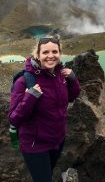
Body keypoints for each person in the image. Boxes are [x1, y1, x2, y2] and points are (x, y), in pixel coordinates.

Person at [9, 37, 81, 182]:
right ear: (38, 54)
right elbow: (14, 118)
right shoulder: (23, 81)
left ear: (60, 53)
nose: (50, 56)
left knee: (47, 174)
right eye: (45, 52)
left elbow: (71, 97)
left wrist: (73, 80)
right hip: (35, 144)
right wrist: (30, 97)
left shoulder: (60, 76)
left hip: (57, 140)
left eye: (55, 51)